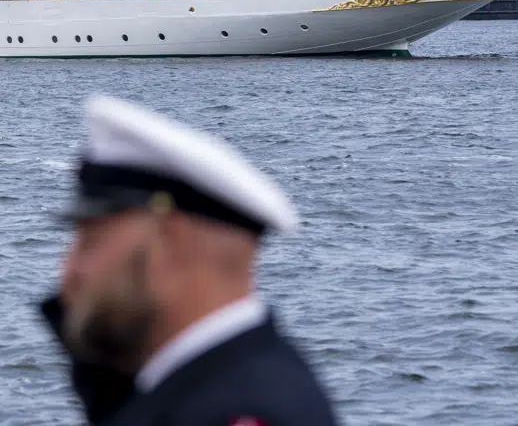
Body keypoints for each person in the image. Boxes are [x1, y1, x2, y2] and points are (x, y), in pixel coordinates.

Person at [40, 96, 338, 425]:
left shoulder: (235, 412)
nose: (69, 270)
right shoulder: (209, 388)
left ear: (167, 242)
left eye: (90, 242)